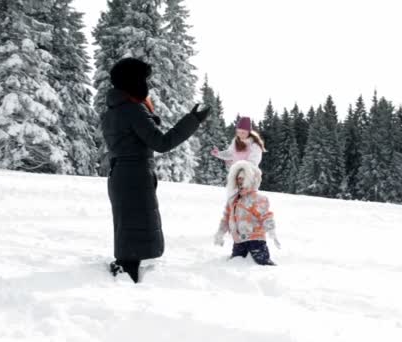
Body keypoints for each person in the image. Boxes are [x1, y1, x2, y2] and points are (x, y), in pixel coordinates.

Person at [102, 57, 211, 282]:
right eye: (144, 79)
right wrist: (194, 119)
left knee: (127, 227)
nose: (147, 85)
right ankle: (127, 282)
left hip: (120, 174)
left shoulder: (113, 110)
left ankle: (125, 273)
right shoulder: (132, 110)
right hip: (134, 176)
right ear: (134, 82)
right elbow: (161, 143)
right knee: (135, 229)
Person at [213, 160, 281, 265]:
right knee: (235, 263)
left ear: (251, 179)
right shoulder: (233, 200)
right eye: (238, 178)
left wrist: (271, 231)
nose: (240, 181)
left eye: (243, 178)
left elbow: (266, 216)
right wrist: (220, 232)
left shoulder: (257, 199)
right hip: (238, 240)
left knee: (262, 264)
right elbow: (226, 217)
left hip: (255, 239)